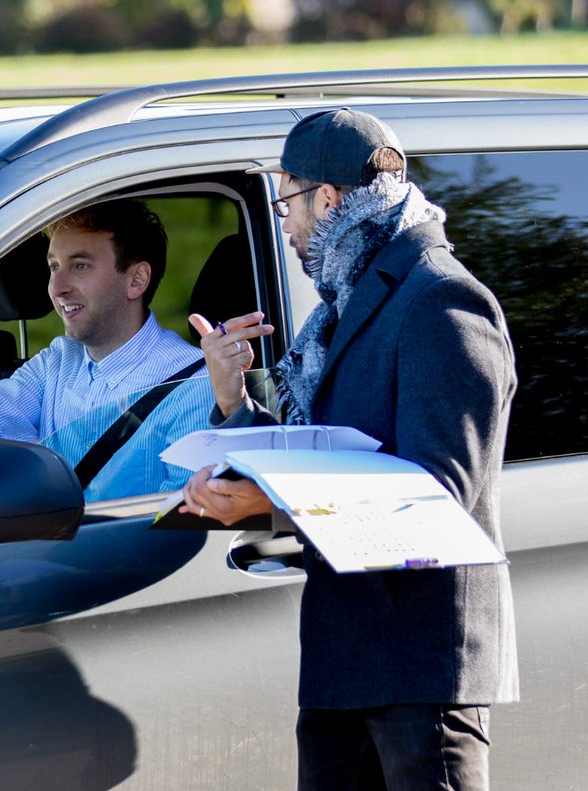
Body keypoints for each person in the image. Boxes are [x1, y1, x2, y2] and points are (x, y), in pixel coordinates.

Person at [183, 109, 518, 789]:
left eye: (285, 199)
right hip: (347, 663)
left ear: (328, 199)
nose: (283, 221)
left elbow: (435, 497)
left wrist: (268, 496)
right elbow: (319, 454)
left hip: (421, 673)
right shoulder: (349, 301)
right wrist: (231, 398)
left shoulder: (441, 300)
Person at [0, 198, 212, 500]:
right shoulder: (59, 359)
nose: (57, 288)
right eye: (54, 266)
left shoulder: (195, 385)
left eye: (80, 266)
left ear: (136, 280)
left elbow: (181, 522)